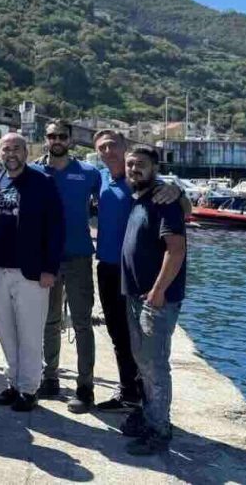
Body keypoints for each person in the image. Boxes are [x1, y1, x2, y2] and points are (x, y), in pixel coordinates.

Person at [92, 129, 186, 412]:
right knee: (119, 335)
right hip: (108, 268)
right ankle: (129, 392)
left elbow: (184, 210)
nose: (108, 151)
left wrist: (179, 192)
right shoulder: (102, 179)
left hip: (136, 275)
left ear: (124, 147)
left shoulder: (148, 185)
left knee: (142, 345)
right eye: (101, 147)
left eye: (113, 145)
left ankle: (150, 409)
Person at [0, 132, 65, 413]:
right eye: (6, 149)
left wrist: (50, 268)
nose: (11, 154)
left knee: (30, 334)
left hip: (31, 272)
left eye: (16, 148)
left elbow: (56, 227)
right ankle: (13, 382)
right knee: (5, 331)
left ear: (26, 152)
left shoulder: (43, 182)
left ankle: (29, 389)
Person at [119, 146, 188, 456]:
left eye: (141, 165)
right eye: (130, 164)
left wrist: (158, 291)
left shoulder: (165, 201)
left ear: (155, 168)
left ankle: (159, 430)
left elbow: (176, 249)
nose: (134, 169)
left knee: (155, 365)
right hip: (136, 295)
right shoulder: (139, 198)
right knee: (143, 362)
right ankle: (148, 415)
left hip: (156, 298)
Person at [35, 120, 101, 413]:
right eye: (52, 136)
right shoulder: (35, 171)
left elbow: (117, 194)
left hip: (78, 257)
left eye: (62, 136)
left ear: (71, 140)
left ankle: (85, 387)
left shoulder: (89, 173)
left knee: (82, 323)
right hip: (46, 259)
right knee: (49, 320)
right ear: (46, 139)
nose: (57, 140)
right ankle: (49, 378)